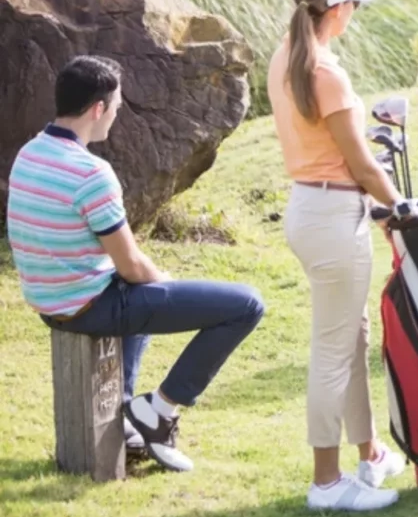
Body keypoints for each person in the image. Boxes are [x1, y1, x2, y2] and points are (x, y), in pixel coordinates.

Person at [5, 55, 265, 473]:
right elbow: (131, 267)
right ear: (98, 109)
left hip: (49, 301)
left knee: (143, 298)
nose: (116, 116)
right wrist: (164, 283)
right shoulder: (91, 173)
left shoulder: (30, 154)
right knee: (246, 304)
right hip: (86, 306)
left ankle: (127, 416)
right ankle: (159, 411)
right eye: (117, 107)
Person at [268, 0, 418, 511]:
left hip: (314, 211)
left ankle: (371, 453)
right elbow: (359, 162)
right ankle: (326, 485)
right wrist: (401, 204)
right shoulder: (325, 71)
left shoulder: (286, 56)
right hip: (333, 218)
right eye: (353, 3)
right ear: (335, 9)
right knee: (333, 351)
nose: (355, 11)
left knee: (349, 339)